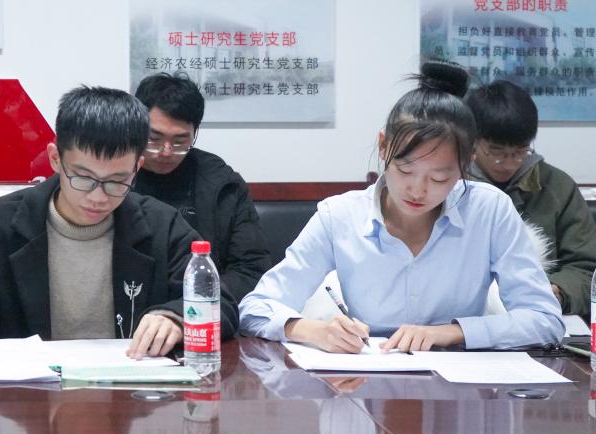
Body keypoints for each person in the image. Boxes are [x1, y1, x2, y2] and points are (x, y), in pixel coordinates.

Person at [239, 61, 564, 354]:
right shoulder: (339, 216)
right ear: (383, 146)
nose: (418, 190)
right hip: (367, 380)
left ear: (467, 164)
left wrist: (450, 333)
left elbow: (544, 319)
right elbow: (256, 307)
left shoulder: (489, 211)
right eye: (405, 170)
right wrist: (314, 331)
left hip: (461, 387)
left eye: (439, 177)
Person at [0, 86, 238, 357]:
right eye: (84, 178)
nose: (98, 197)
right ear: (55, 159)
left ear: (137, 167)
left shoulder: (162, 226)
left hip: (130, 393)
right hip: (26, 397)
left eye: (117, 181)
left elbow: (220, 304)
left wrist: (175, 317)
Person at [133, 72, 273, 300]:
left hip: (204, 310)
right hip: (132, 307)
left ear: (195, 133)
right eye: (154, 138)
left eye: (180, 141)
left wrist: (191, 305)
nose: (166, 152)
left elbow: (251, 269)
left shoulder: (222, 183)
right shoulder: (115, 177)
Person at [464, 80, 596, 320]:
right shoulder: (449, 184)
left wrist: (558, 292)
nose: (508, 163)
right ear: (473, 140)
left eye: (520, 151)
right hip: (462, 318)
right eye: (496, 151)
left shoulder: (557, 187)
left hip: (539, 318)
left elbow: (586, 267)